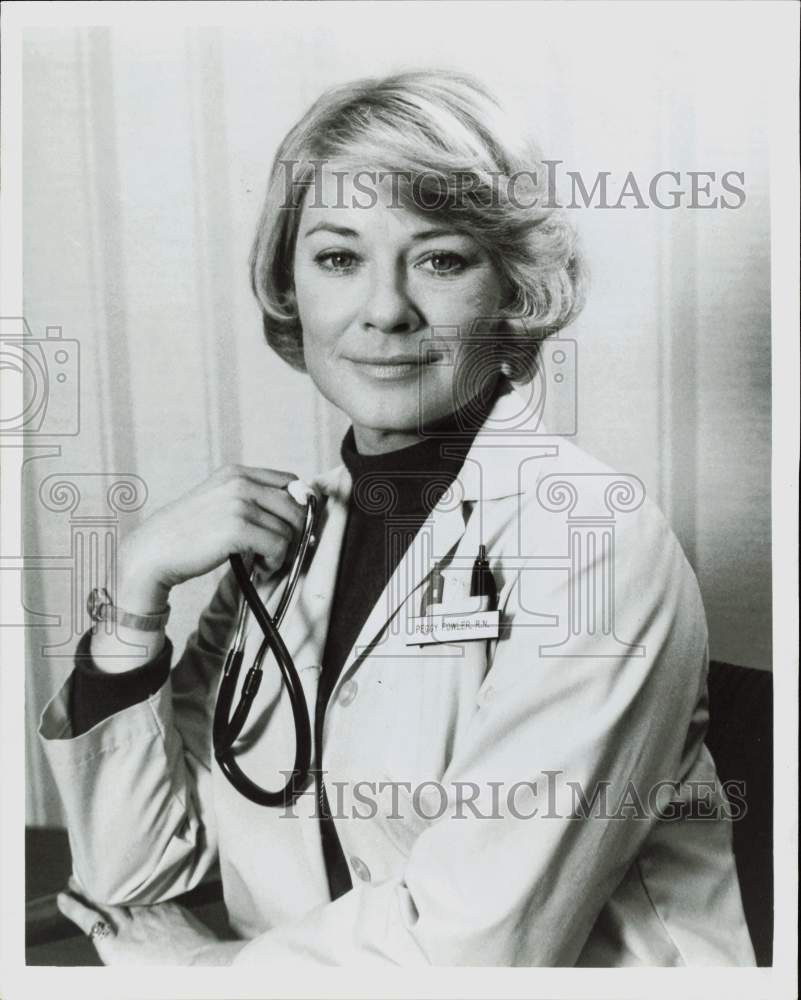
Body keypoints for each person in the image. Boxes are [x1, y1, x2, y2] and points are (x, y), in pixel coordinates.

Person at [40, 70, 755, 966]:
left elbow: (478, 949)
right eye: (339, 258)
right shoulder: (283, 543)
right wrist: (135, 597)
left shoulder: (592, 541)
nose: (384, 310)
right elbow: (134, 887)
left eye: (441, 259)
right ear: (289, 286)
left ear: (512, 289)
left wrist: (196, 970)